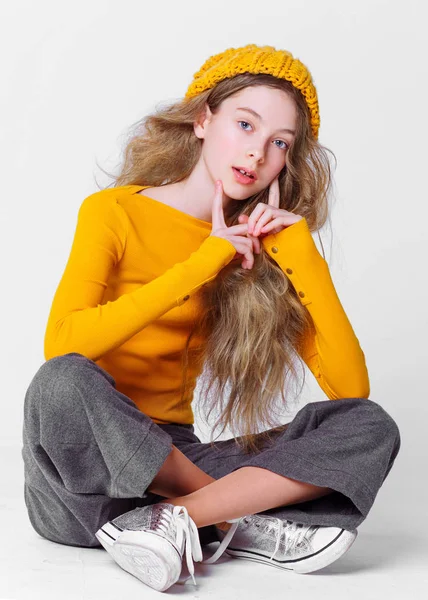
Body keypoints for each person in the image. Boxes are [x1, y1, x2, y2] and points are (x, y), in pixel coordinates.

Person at [21, 43, 401, 592]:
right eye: (245, 125)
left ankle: (181, 518)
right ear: (203, 119)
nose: (257, 153)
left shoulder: (263, 248)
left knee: (369, 425)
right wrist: (205, 260)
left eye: (278, 143)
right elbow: (63, 343)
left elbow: (350, 386)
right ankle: (234, 524)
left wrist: (301, 252)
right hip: (81, 484)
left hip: (172, 463)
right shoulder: (114, 212)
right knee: (60, 382)